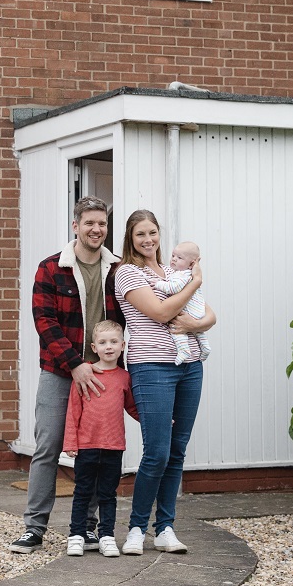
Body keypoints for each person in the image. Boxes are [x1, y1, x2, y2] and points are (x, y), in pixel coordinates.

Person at [10, 196, 124, 554]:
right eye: (89, 223)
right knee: (47, 447)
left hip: (102, 377)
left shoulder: (118, 270)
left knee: (96, 451)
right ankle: (34, 527)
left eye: (102, 223)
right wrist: (75, 364)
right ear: (76, 226)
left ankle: (87, 527)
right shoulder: (51, 268)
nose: (96, 229)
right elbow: (44, 322)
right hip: (60, 372)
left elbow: (133, 317)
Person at [113, 210, 215, 555]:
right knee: (156, 451)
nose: (148, 240)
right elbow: (158, 312)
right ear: (130, 237)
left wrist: (194, 326)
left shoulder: (173, 270)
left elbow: (210, 315)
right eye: (140, 234)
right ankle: (137, 528)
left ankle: (165, 528)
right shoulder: (127, 272)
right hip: (152, 367)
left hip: (190, 365)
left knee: (176, 450)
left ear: (159, 234)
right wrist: (196, 283)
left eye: (152, 232)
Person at [63, 320, 137, 559]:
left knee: (108, 494)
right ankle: (76, 536)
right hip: (87, 445)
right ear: (94, 347)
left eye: (114, 342)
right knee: (83, 491)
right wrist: (70, 444)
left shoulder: (125, 378)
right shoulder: (85, 374)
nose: (109, 347)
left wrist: (158, 420)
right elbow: (73, 412)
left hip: (114, 446)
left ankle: (106, 536)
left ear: (123, 345)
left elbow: (133, 408)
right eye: (103, 342)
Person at [150, 241, 211, 365]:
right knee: (198, 331)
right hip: (198, 311)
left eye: (179, 258)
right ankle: (205, 347)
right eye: (173, 256)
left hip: (188, 311)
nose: (174, 259)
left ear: (191, 264)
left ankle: (183, 350)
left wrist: (157, 283)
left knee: (176, 328)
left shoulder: (181, 275)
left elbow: (173, 288)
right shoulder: (190, 276)